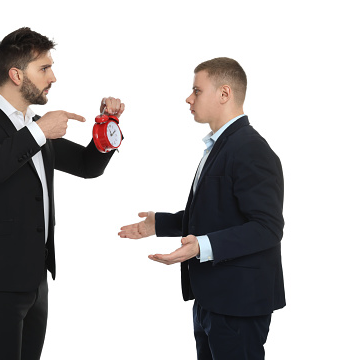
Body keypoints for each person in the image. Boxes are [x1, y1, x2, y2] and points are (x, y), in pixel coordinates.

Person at [0, 27, 125, 360]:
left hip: (35, 281)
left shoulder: (36, 125)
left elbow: (88, 165)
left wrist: (107, 124)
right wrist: (38, 132)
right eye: (44, 68)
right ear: (16, 74)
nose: (53, 76)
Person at [119, 57, 284, 360]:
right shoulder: (222, 145)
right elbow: (219, 214)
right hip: (212, 298)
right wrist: (160, 225)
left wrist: (201, 247)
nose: (188, 98)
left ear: (224, 94)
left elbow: (268, 228)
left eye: (196, 90)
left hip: (239, 303)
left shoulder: (250, 149)